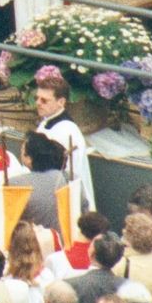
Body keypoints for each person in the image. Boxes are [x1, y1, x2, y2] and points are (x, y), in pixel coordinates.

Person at [33, 75, 94, 211]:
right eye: (36, 98)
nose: (38, 103)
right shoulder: (46, 121)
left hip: (64, 196)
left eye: (44, 100)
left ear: (61, 102)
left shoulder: (66, 131)